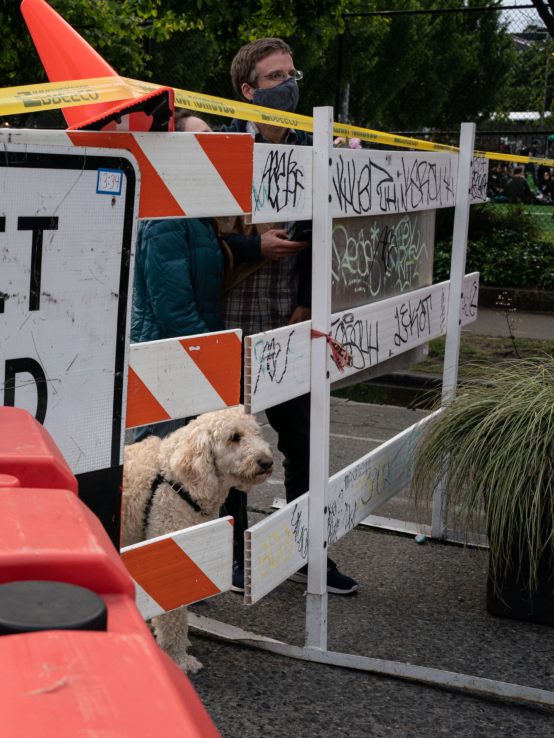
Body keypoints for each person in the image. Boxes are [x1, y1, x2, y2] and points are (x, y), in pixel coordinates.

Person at [216, 37, 358, 595]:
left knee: (302, 438)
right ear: (248, 91)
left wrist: (304, 299)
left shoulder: (310, 149)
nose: (289, 84)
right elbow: (199, 235)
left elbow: (323, 236)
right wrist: (255, 250)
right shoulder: (222, 150)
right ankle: (230, 555)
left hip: (290, 320)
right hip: (234, 317)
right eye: (276, 76)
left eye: (292, 73)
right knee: (235, 442)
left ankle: (305, 551)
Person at [128, 110, 228, 443]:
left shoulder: (194, 209)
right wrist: (212, 353)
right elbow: (173, 309)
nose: (210, 143)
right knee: (160, 469)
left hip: (186, 356)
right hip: (166, 363)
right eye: (200, 137)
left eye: (213, 134)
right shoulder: (167, 214)